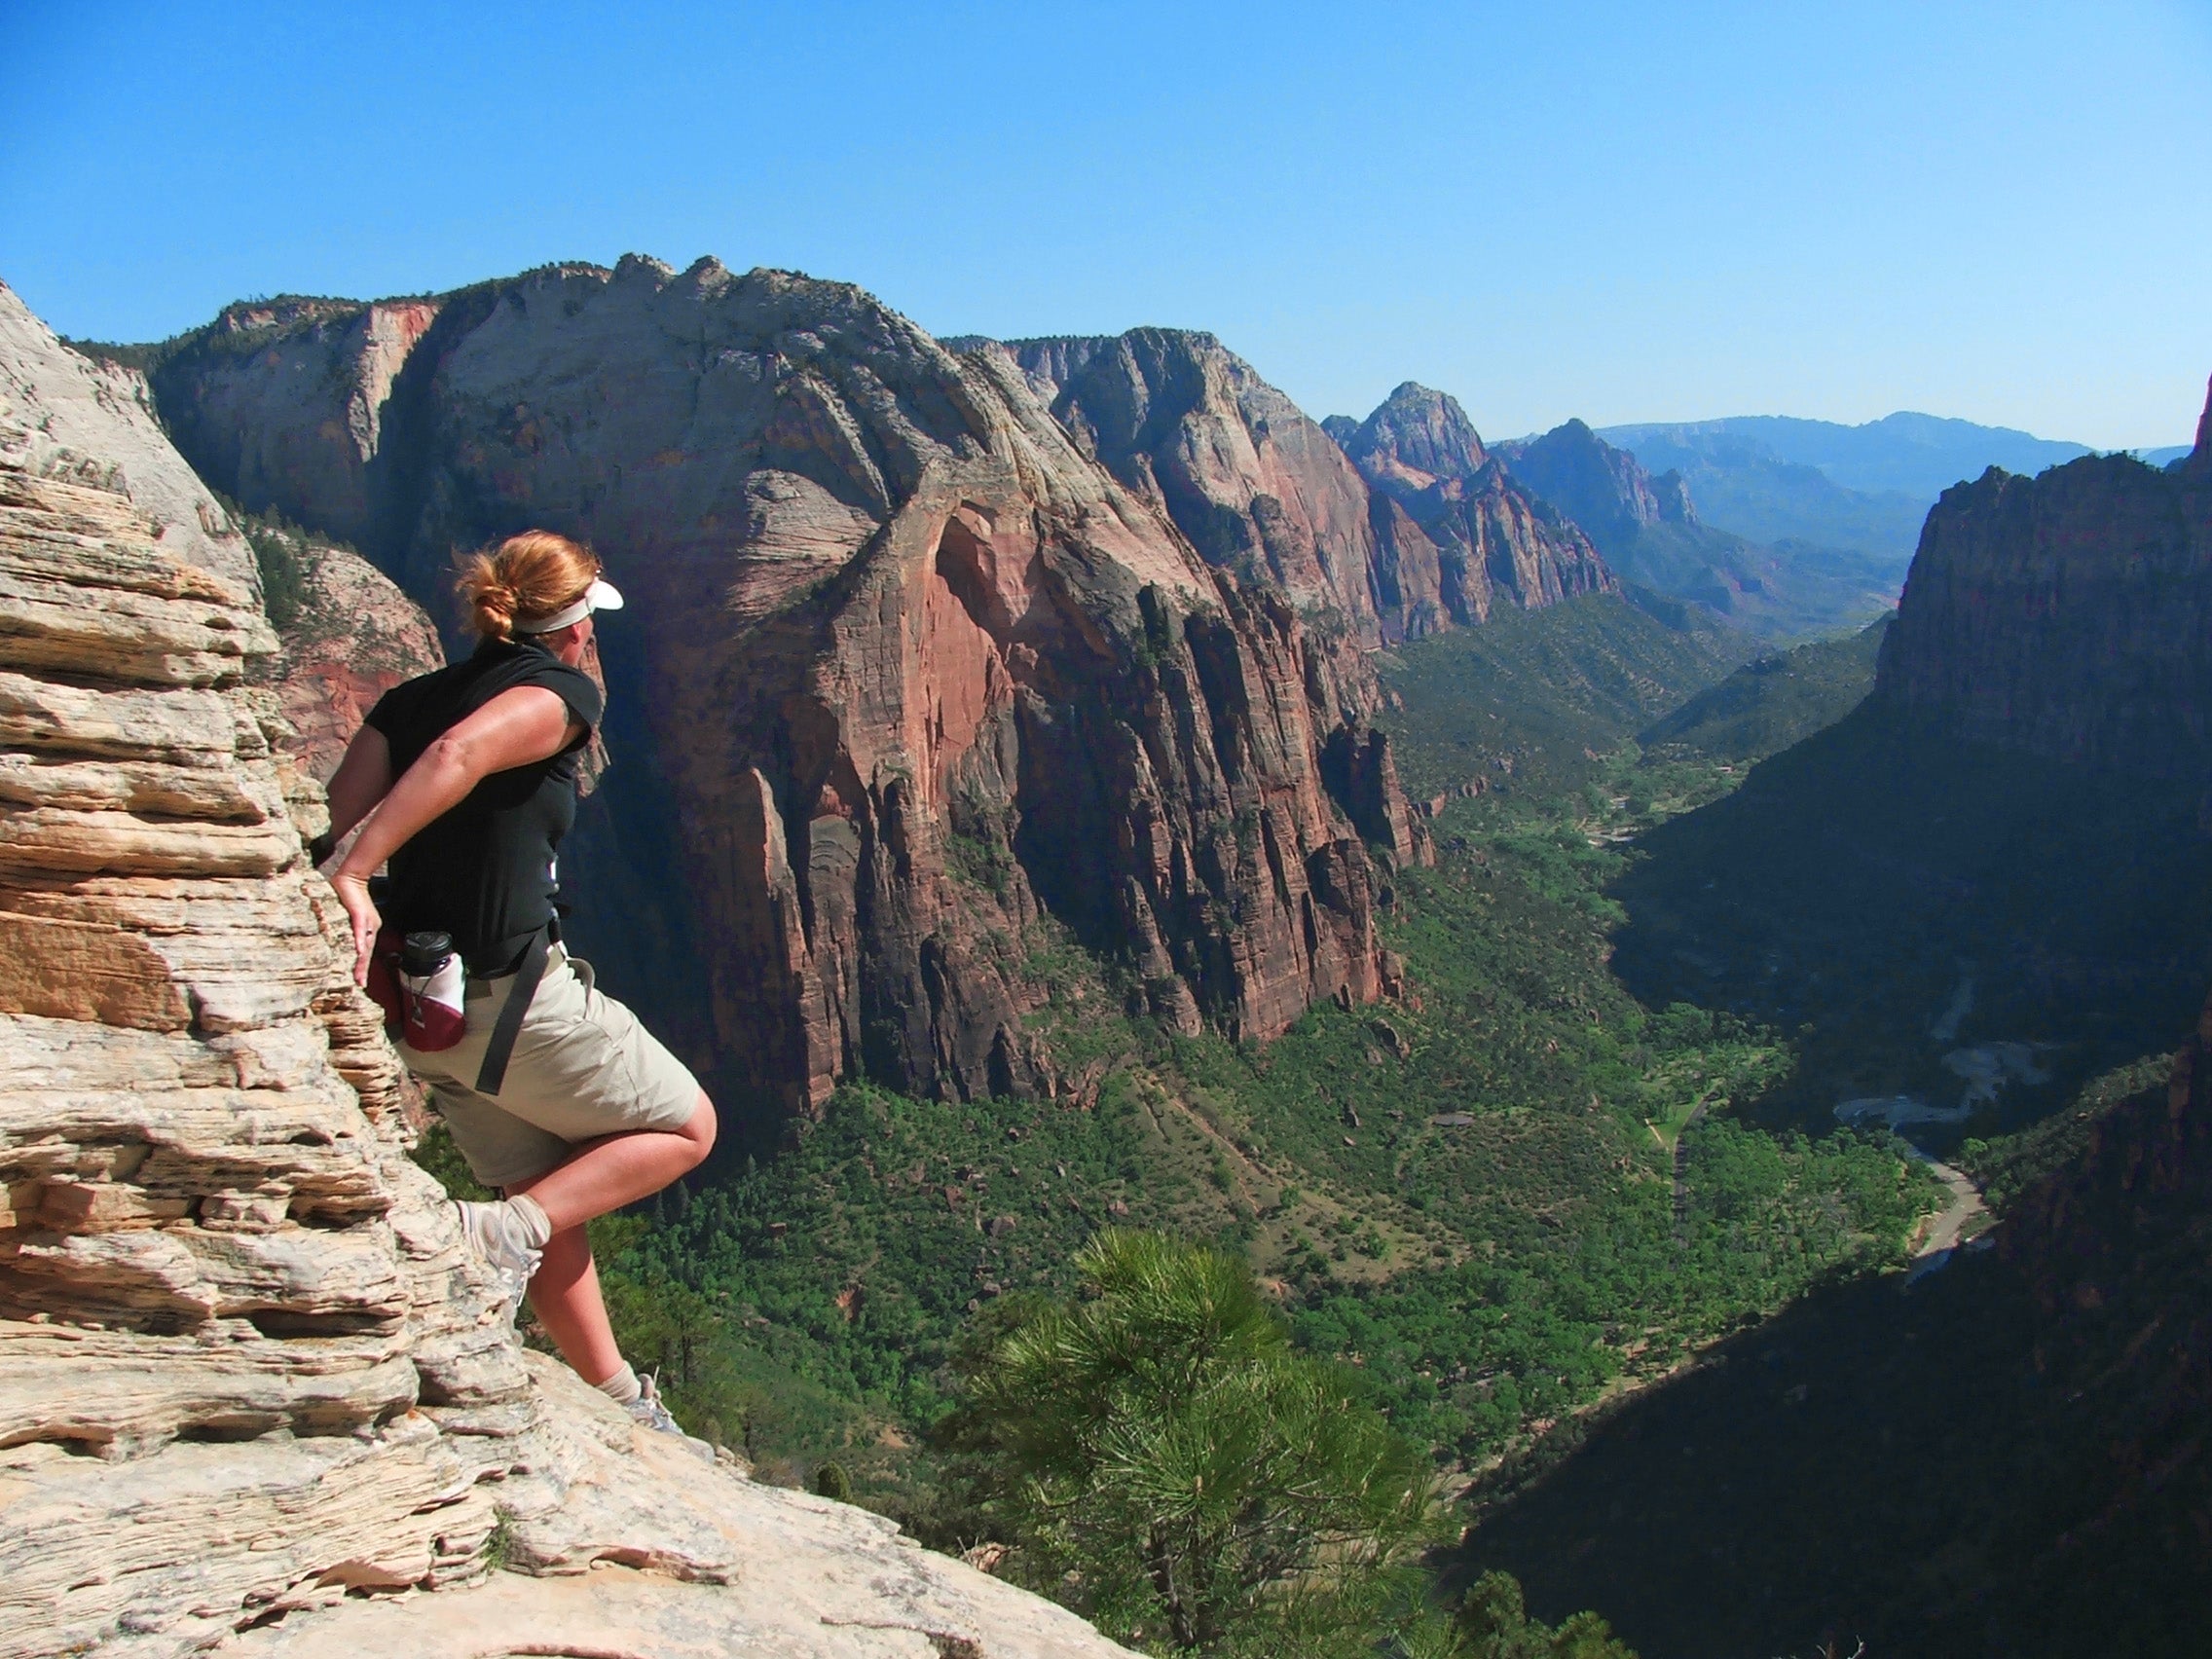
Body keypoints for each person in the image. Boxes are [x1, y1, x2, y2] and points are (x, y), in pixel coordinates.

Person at [318, 530, 716, 1443]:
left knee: (540, 1195)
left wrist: (344, 867)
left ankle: (619, 1398)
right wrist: (356, 868)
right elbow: (457, 758)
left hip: (424, 1005)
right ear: (575, 626)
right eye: (591, 624)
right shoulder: (559, 695)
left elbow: (342, 806)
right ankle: (488, 1239)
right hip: (511, 994)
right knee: (687, 1128)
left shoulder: (406, 699)